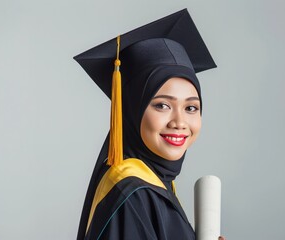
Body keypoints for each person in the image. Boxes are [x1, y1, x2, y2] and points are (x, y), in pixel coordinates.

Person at [74, 9, 224, 240]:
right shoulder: (131, 194)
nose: (179, 122)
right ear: (133, 110)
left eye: (191, 107)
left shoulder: (155, 184)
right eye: (162, 105)